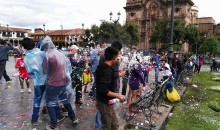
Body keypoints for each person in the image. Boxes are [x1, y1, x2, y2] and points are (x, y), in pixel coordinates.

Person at [41, 36, 78, 129]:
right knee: (65, 101)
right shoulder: (61, 54)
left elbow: (44, 71)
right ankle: (73, 118)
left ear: (45, 46)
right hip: (63, 82)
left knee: (50, 103)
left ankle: (53, 125)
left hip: (52, 83)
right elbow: (67, 68)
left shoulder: (47, 56)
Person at [96, 46, 125, 130]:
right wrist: (118, 95)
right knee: (107, 127)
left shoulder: (104, 66)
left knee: (115, 125)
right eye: (117, 56)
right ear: (114, 57)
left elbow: (105, 81)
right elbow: (103, 90)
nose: (118, 58)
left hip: (107, 101)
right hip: (104, 103)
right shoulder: (106, 70)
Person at [21, 38, 47, 126]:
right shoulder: (41, 53)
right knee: (49, 97)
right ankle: (53, 115)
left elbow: (29, 72)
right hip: (47, 80)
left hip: (37, 82)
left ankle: (34, 119)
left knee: (37, 99)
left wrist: (36, 76)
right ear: (33, 44)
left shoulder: (26, 59)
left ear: (25, 47)